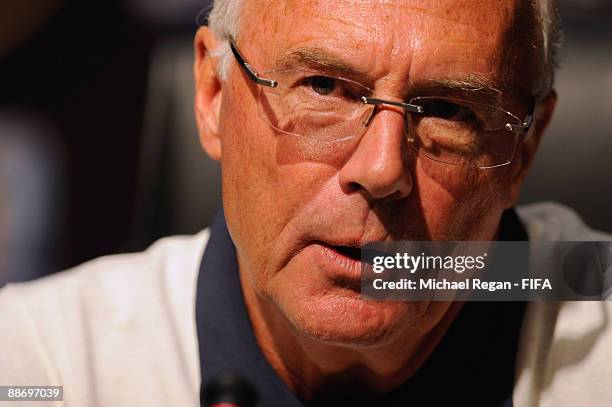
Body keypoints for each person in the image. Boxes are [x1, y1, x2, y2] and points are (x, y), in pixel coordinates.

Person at [1, 0, 611, 406]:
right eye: (324, 88)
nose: (382, 169)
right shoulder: (43, 365)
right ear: (214, 94)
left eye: (450, 111)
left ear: (525, 150)